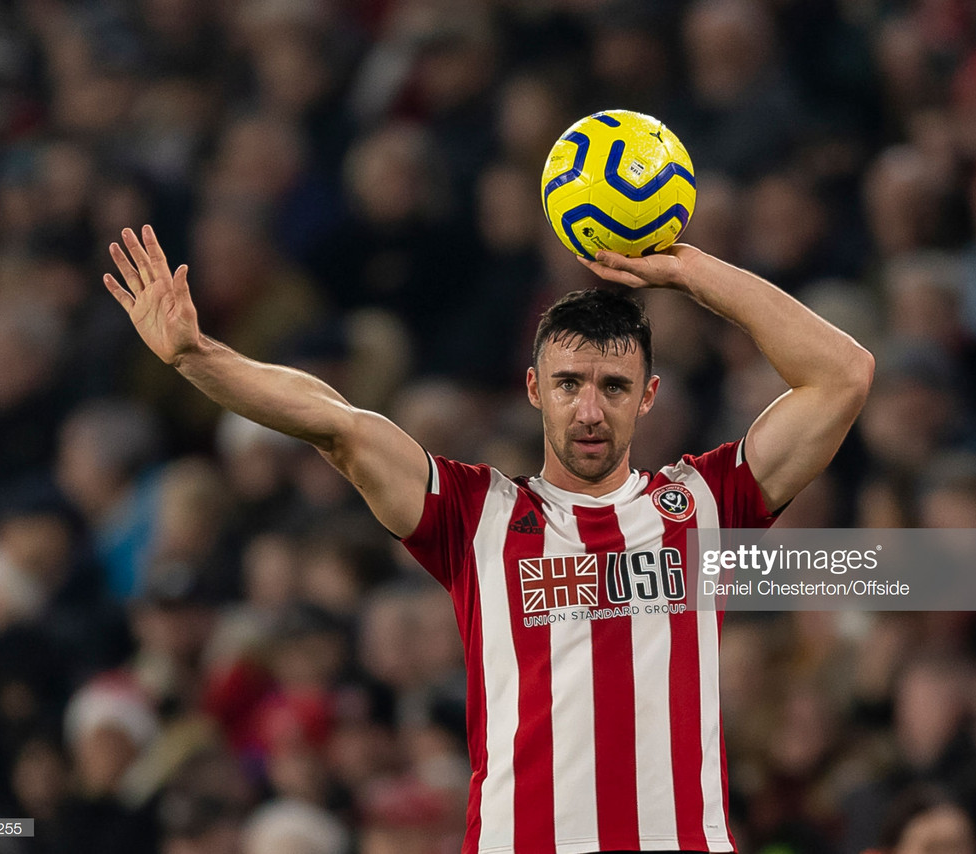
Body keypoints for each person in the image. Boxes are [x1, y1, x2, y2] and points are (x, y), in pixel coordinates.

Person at [103, 224, 873, 854]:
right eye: (569, 384)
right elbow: (335, 421)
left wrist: (693, 272)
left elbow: (843, 374)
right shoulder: (478, 516)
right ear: (535, 389)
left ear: (649, 398)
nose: (590, 411)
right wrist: (199, 357)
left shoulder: (703, 504)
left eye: (613, 387)